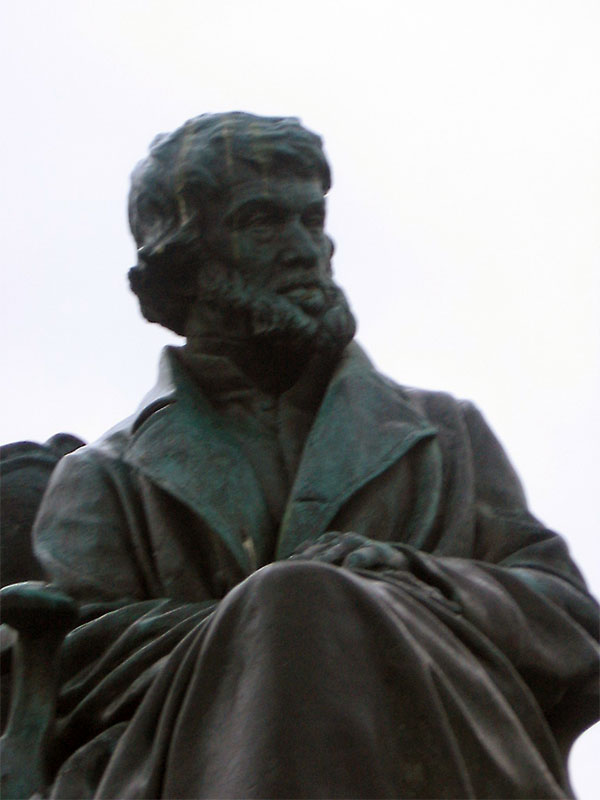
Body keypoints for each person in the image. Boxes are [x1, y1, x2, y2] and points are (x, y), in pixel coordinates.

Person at [25, 112, 597, 798]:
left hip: (444, 752)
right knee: (292, 600)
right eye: (263, 219)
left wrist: (407, 579)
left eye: (313, 220)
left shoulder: (444, 431)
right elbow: (74, 666)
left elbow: (571, 620)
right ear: (186, 257)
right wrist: (283, 621)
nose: (305, 248)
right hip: (186, 770)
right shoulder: (103, 476)